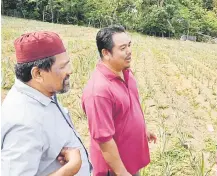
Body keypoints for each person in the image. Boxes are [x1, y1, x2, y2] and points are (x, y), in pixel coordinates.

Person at [1, 31, 91, 176]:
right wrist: (71, 169)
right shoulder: (23, 124)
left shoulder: (43, 92)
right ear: (37, 74)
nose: (70, 71)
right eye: (62, 67)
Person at [82, 25, 157, 176]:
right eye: (122, 48)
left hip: (130, 160)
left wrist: (142, 130)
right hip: (115, 169)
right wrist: (122, 172)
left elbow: (128, 110)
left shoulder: (126, 73)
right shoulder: (99, 91)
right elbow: (104, 140)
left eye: (129, 45)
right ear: (106, 53)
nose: (129, 51)